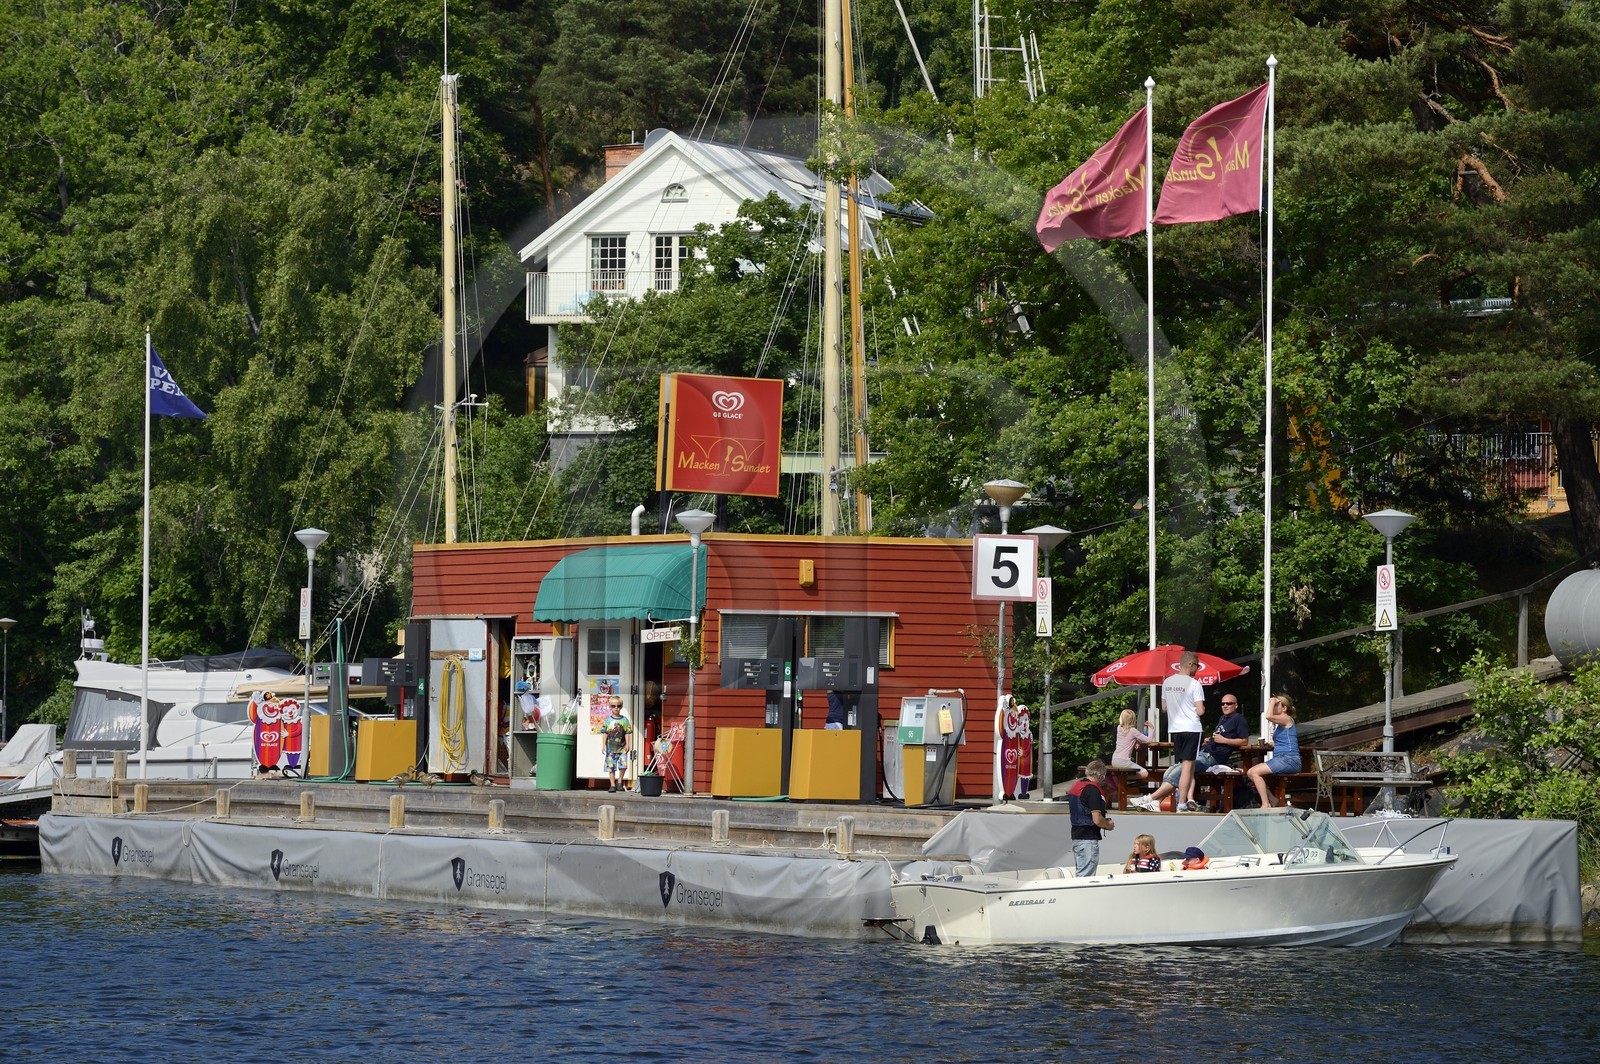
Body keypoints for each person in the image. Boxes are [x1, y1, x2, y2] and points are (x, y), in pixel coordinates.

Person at [1130, 691, 1249, 811]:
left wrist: (1224, 740)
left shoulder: (1238, 719)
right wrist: (1210, 740)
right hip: (1203, 753)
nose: (1225, 706)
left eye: (1229, 703)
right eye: (1223, 703)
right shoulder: (1223, 718)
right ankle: (1157, 802)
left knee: (1180, 770)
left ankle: (1150, 798)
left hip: (1211, 758)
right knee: (1173, 769)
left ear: (1236, 705)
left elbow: (1244, 741)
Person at [1247, 694, 1302, 808]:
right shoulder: (1281, 723)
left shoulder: (1286, 718)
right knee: (1250, 773)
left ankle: (1266, 804)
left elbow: (1268, 716)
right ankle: (1273, 800)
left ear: (1284, 708)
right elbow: (1284, 741)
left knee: (1255, 772)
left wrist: (1272, 701)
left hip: (1289, 760)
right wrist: (1270, 744)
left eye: (1277, 705)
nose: (1273, 706)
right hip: (1281, 758)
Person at [1065, 760, 1115, 877]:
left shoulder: (1077, 786)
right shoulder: (1092, 790)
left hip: (1077, 838)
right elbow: (1097, 819)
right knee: (1086, 879)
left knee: (1081, 875)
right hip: (1088, 840)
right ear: (1102, 776)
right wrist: (1108, 825)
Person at [1110, 708, 1155, 779]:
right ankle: (1122, 779)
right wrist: (1152, 728)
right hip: (1124, 761)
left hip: (1114, 760)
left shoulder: (1119, 728)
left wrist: (1136, 741)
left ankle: (1120, 779)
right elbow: (1149, 740)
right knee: (1144, 773)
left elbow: (1127, 739)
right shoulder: (1133, 731)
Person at [600, 696, 633, 793]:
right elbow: (604, 733)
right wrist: (603, 745)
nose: (616, 708)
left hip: (622, 748)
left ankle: (619, 781)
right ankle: (612, 785)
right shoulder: (607, 721)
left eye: (618, 706)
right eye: (613, 706)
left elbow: (627, 732)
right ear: (610, 707)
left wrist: (628, 744)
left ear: (621, 707)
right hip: (611, 748)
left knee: (624, 766)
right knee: (611, 767)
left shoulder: (625, 720)